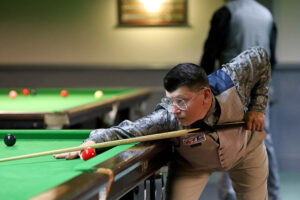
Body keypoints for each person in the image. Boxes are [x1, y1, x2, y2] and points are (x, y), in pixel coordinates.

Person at [55, 47, 270, 200]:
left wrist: (257, 108)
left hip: (246, 152)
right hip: (193, 165)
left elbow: (260, 56)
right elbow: (126, 131)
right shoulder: (168, 117)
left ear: (205, 95)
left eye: (181, 101)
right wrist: (92, 141)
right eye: (170, 100)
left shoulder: (230, 80)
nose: (175, 109)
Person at [200, 0, 280, 199]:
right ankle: (272, 193)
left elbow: (209, 56)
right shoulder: (267, 15)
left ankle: (229, 195)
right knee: (263, 138)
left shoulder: (226, 13)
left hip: (230, 89)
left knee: (229, 139)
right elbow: (273, 59)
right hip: (260, 89)